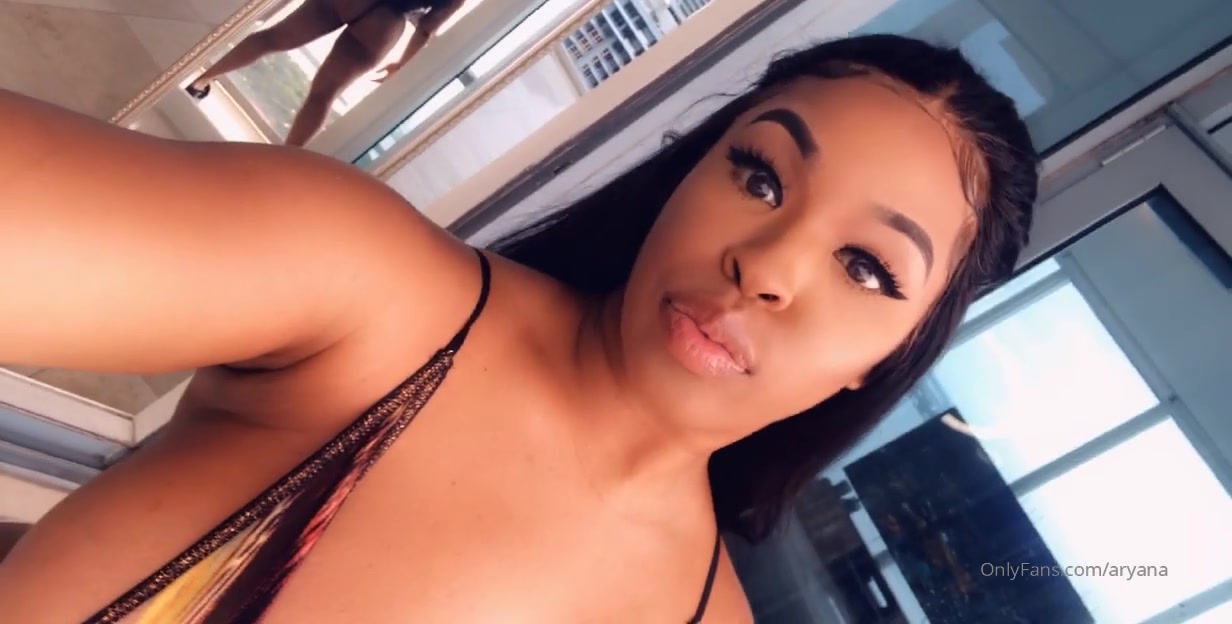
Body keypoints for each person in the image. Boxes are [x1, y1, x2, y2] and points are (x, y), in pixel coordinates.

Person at [0, 34, 1037, 623]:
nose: (764, 268)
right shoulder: (375, 301)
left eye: (865, 268)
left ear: (884, 362)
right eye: (759, 175)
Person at [185, 0, 464, 146]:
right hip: (384, 23)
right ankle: (284, 159)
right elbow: (426, 27)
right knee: (323, 95)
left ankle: (200, 81)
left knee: (269, 39)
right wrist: (401, 63)